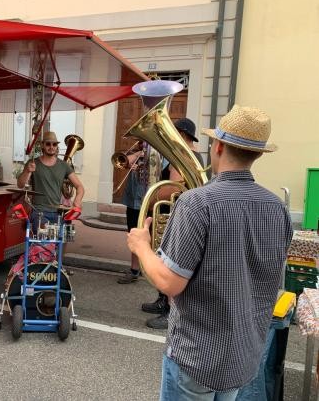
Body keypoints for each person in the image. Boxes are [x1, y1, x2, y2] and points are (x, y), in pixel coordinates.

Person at [127, 105, 293, 400]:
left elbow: (168, 283)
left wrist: (142, 247)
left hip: (197, 355)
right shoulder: (278, 208)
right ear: (257, 154)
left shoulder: (196, 203)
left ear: (217, 147)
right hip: (243, 353)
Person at [141, 117, 206, 329]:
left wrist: (151, 198)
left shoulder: (184, 156)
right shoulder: (189, 156)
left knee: (170, 261)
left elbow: (175, 186)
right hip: (176, 210)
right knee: (164, 256)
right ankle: (162, 301)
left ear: (182, 135)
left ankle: (171, 311)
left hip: (176, 211)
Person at [17, 131, 84, 228]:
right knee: (46, 233)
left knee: (62, 237)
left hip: (57, 212)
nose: (51, 147)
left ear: (57, 146)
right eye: (48, 144)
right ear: (42, 145)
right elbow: (20, 185)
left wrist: (78, 200)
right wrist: (27, 171)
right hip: (39, 212)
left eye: (54, 144)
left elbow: (79, 186)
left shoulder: (64, 165)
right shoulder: (32, 163)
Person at [117, 147, 147, 284]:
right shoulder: (136, 151)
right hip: (133, 201)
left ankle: (148, 269)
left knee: (147, 237)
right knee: (133, 234)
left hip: (146, 201)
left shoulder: (158, 153)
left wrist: (142, 168)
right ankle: (134, 270)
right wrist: (138, 153)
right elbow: (122, 162)